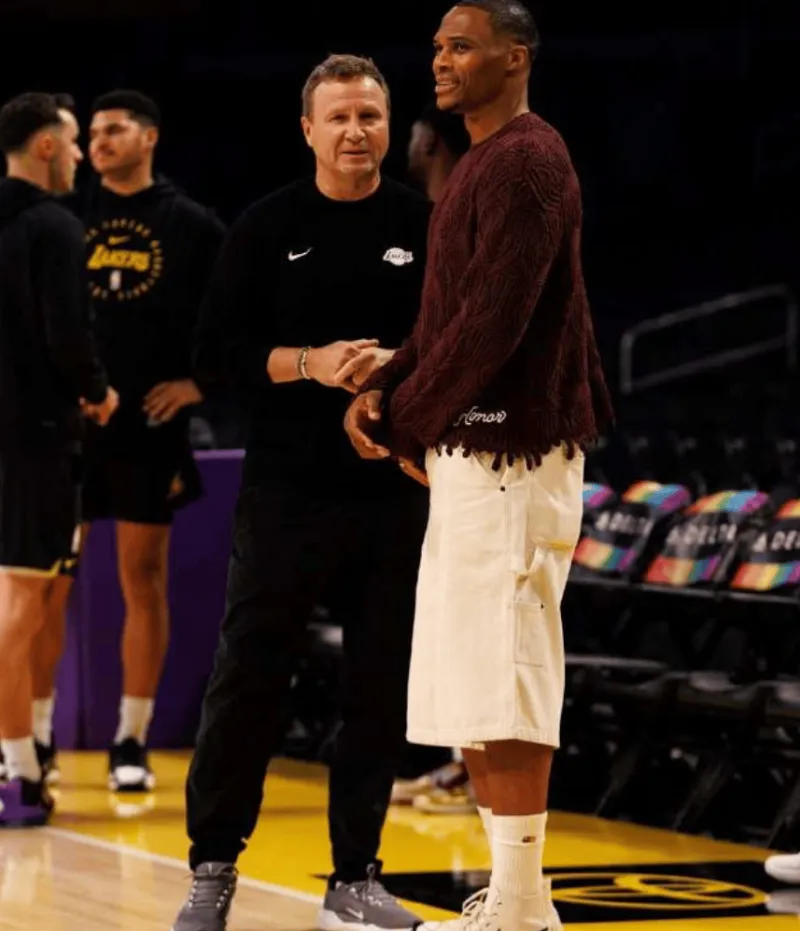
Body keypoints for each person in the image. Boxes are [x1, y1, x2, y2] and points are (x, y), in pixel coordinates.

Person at [343, 3, 614, 930]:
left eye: (461, 46)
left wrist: (407, 416)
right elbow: (448, 320)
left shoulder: (532, 160)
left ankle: (527, 903)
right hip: (477, 447)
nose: (441, 62)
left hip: (513, 445)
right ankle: (516, 895)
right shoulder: (479, 164)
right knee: (476, 678)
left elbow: (496, 322)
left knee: (511, 667)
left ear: (517, 56)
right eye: (436, 47)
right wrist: (390, 385)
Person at [171, 55, 431, 931]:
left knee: (377, 683)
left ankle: (356, 873)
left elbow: (455, 342)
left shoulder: (424, 223)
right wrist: (309, 364)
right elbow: (214, 357)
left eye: (370, 115)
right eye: (340, 117)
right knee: (249, 673)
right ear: (308, 130)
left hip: (394, 490)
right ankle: (212, 867)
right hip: (286, 491)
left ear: (388, 126)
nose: (356, 130)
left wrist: (395, 371)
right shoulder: (266, 225)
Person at [32, 89, 225, 793]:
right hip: (70, 429)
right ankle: (39, 735)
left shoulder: (193, 225)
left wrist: (197, 385)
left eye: (114, 130)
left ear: (150, 137)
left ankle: (130, 737)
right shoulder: (60, 217)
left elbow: (234, 323)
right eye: (94, 132)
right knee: (47, 584)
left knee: (141, 579)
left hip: (147, 428)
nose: (101, 141)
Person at [0, 91, 117, 827]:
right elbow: (66, 334)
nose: (79, 155)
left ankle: (34, 747)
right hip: (36, 437)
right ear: (46, 146)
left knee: (38, 600)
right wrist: (98, 390)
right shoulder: (54, 226)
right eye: (72, 142)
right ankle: (15, 771)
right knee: (21, 605)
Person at [391, 102, 473, 816]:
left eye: (413, 142)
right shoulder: (433, 215)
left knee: (481, 624)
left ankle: (474, 771)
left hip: (478, 441)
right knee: (448, 618)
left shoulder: (471, 205)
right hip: (440, 443)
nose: (405, 153)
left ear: (431, 143)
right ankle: (457, 763)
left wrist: (404, 411)